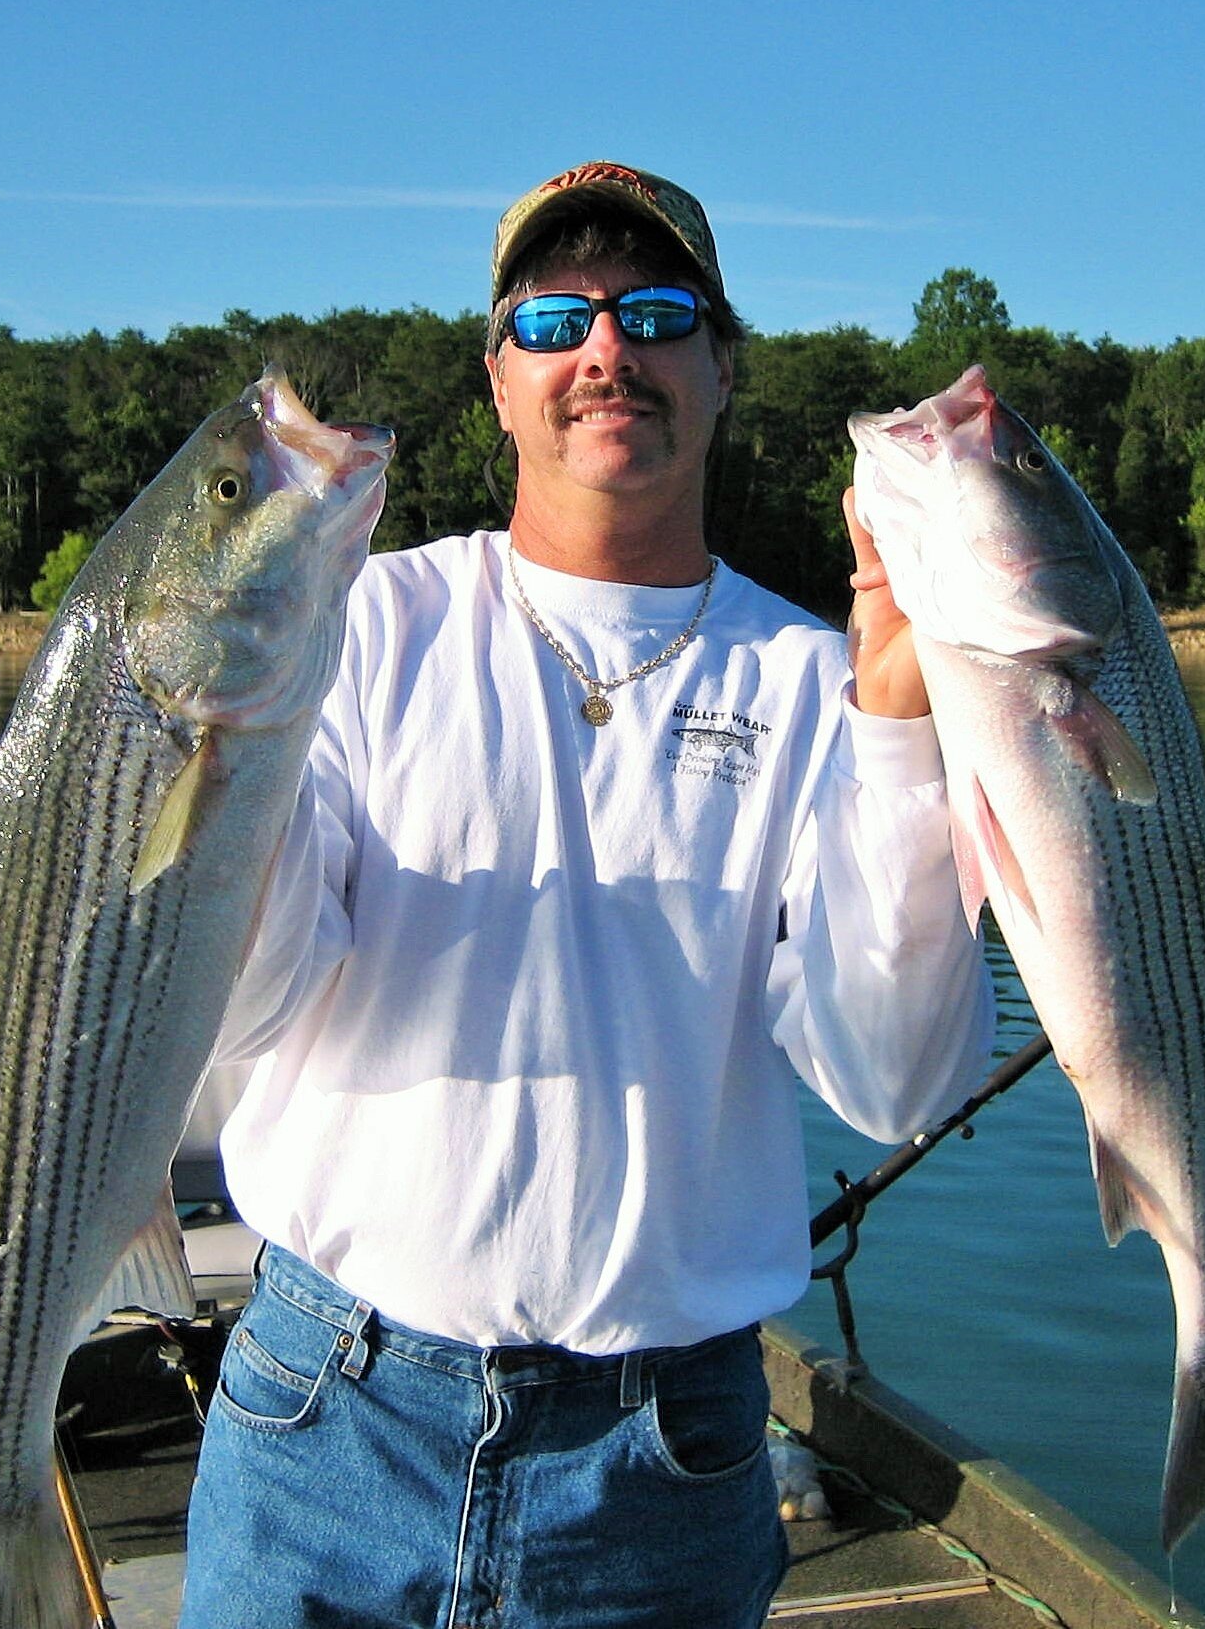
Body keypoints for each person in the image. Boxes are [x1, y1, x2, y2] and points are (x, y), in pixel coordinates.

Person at [178, 160, 994, 1629]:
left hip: (662, 1463)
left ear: (723, 369)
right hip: (326, 1414)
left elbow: (891, 1082)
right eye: (552, 319)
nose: (604, 348)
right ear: (499, 381)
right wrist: (217, 758)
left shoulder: (833, 689)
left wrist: (903, 732)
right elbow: (246, 1007)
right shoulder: (358, 628)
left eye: (658, 312)